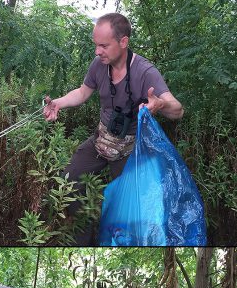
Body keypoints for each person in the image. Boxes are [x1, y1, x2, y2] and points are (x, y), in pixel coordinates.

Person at [42, 13, 184, 244]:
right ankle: (83, 237)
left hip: (128, 150)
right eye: (96, 45)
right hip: (101, 139)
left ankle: (116, 239)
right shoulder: (99, 65)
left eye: (104, 46)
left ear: (123, 42)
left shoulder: (145, 72)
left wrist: (160, 104)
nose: (98, 52)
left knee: (125, 207)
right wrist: (58, 102)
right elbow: (82, 92)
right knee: (67, 181)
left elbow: (178, 110)